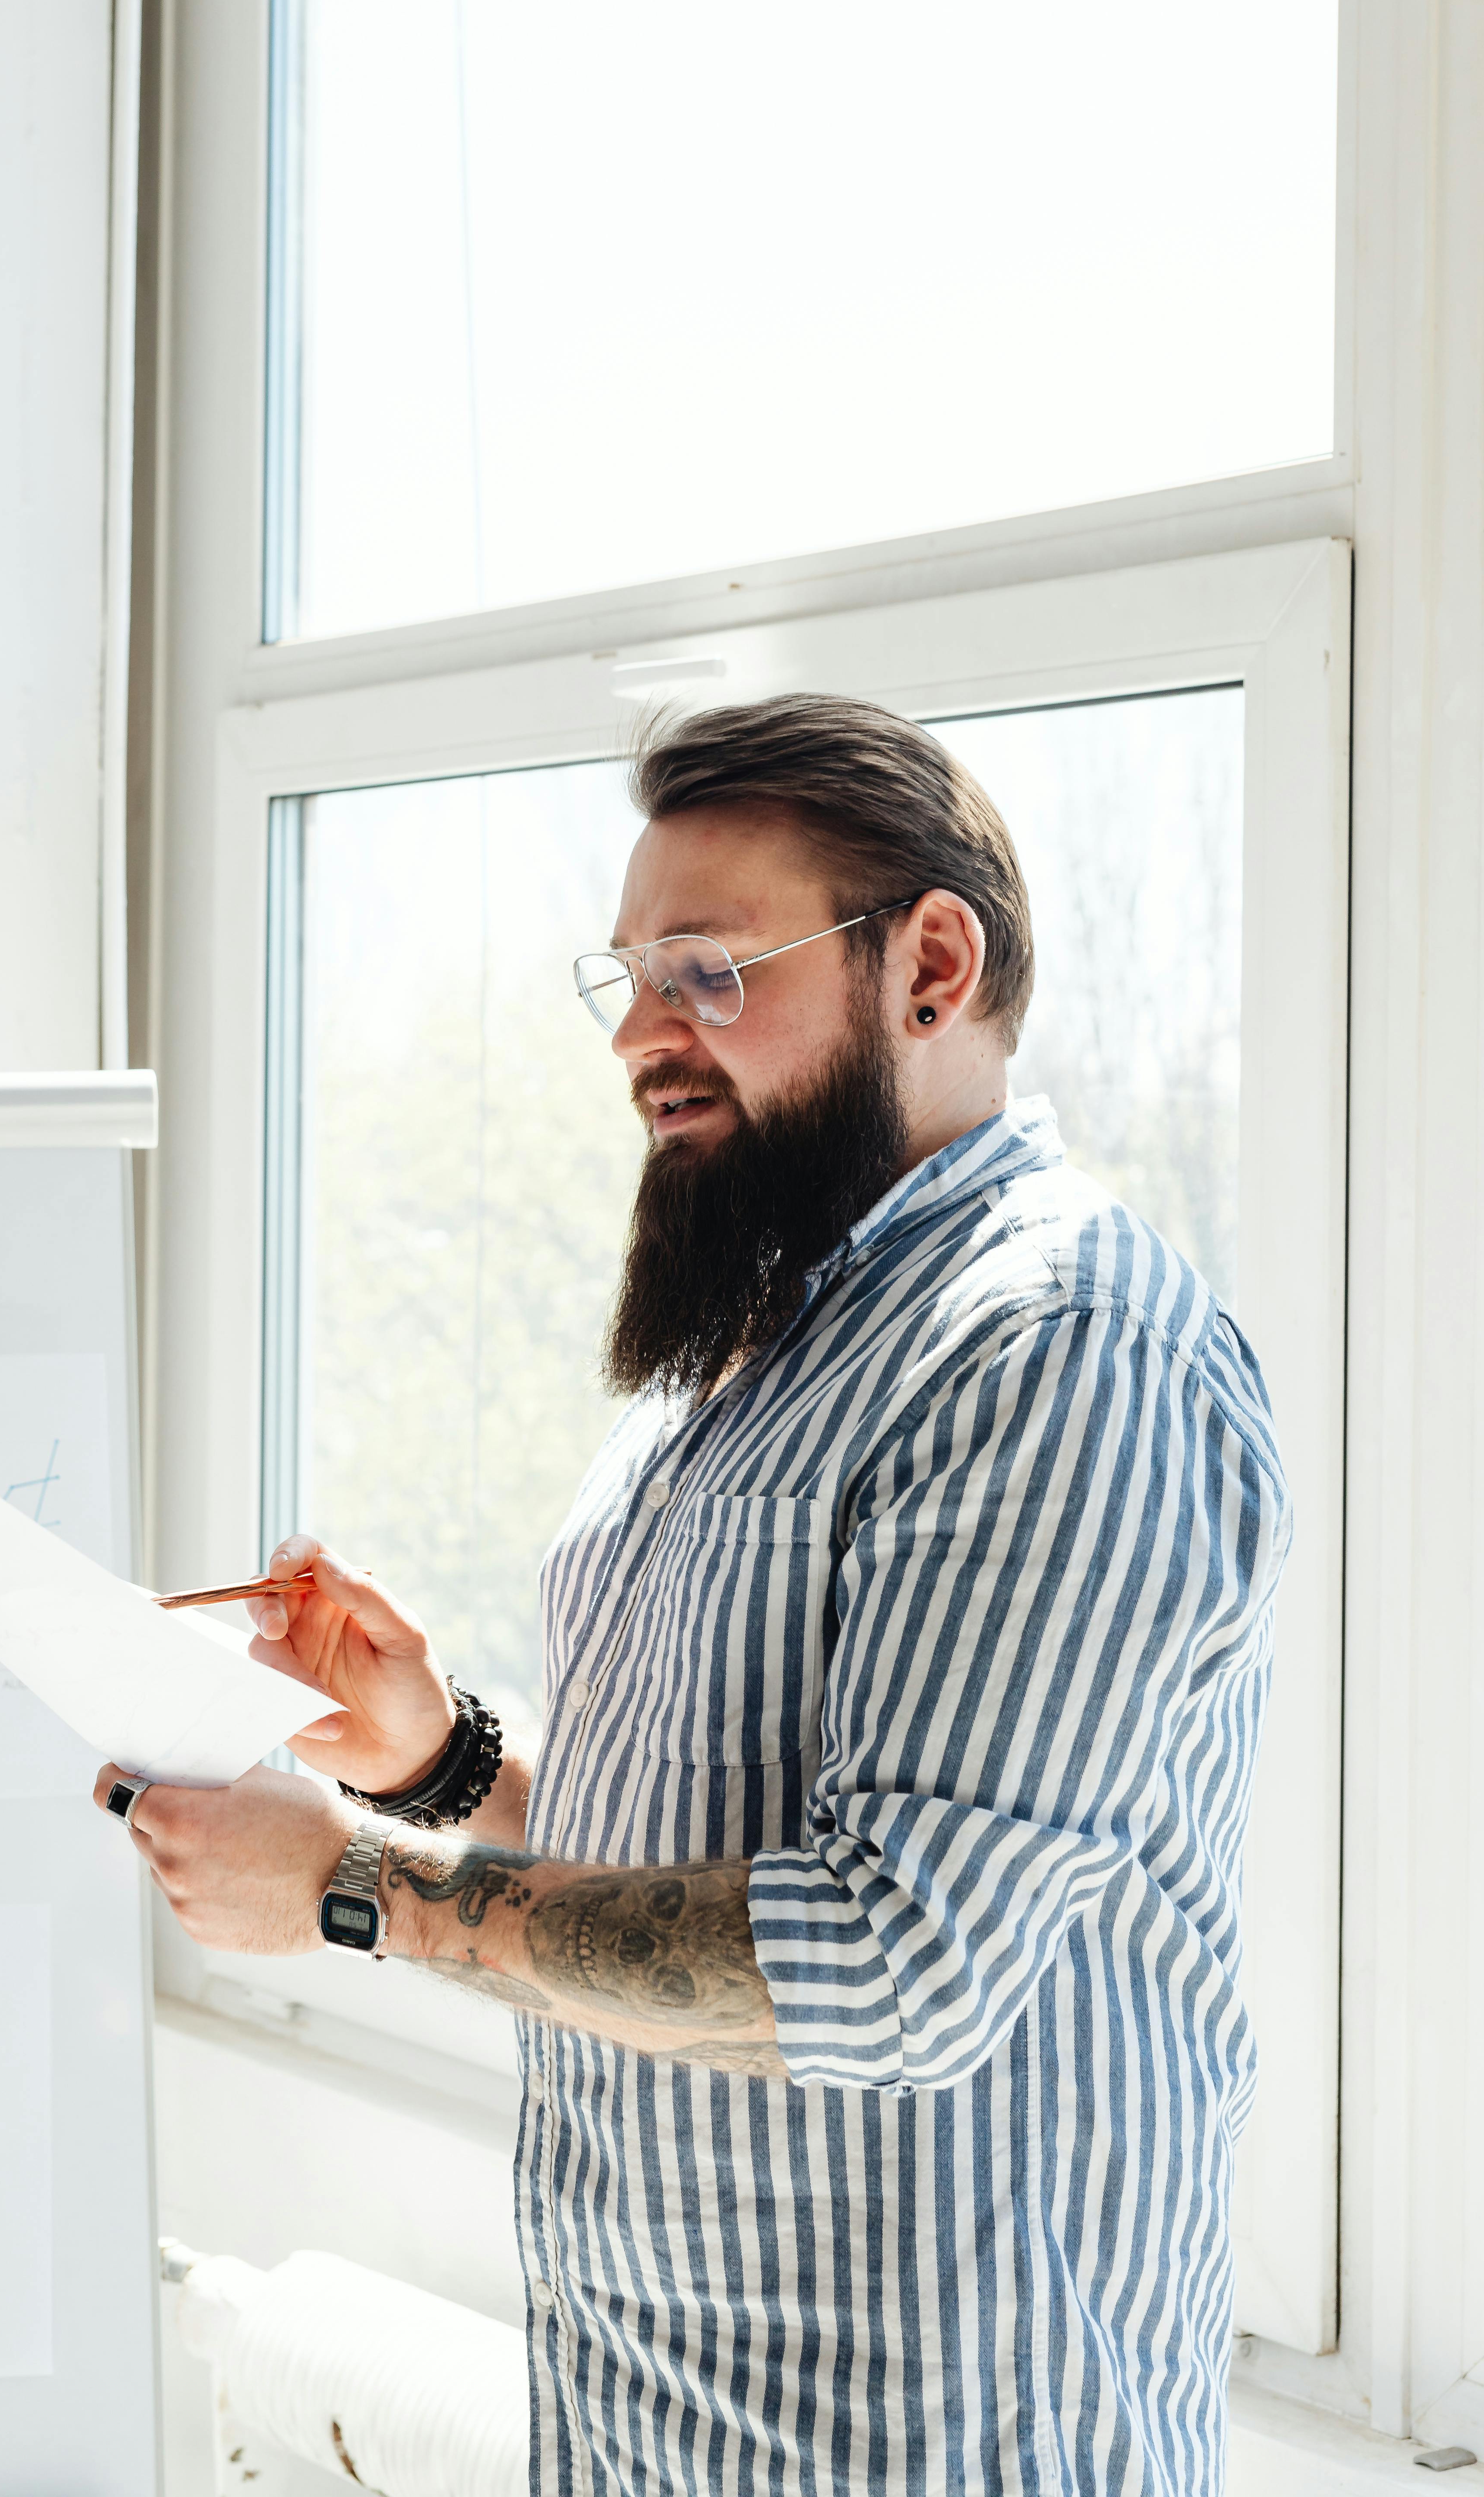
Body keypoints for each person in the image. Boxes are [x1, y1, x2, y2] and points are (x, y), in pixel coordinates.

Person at [98, 691, 1289, 2494]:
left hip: (933, 2448)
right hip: (652, 2424)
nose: (641, 1038)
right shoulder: (740, 1346)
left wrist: (353, 1887)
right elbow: (699, 1843)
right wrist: (430, 1762)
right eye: (629, 979)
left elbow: (895, 1962)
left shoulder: (1055, 1350)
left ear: (932, 966)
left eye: (709, 973)